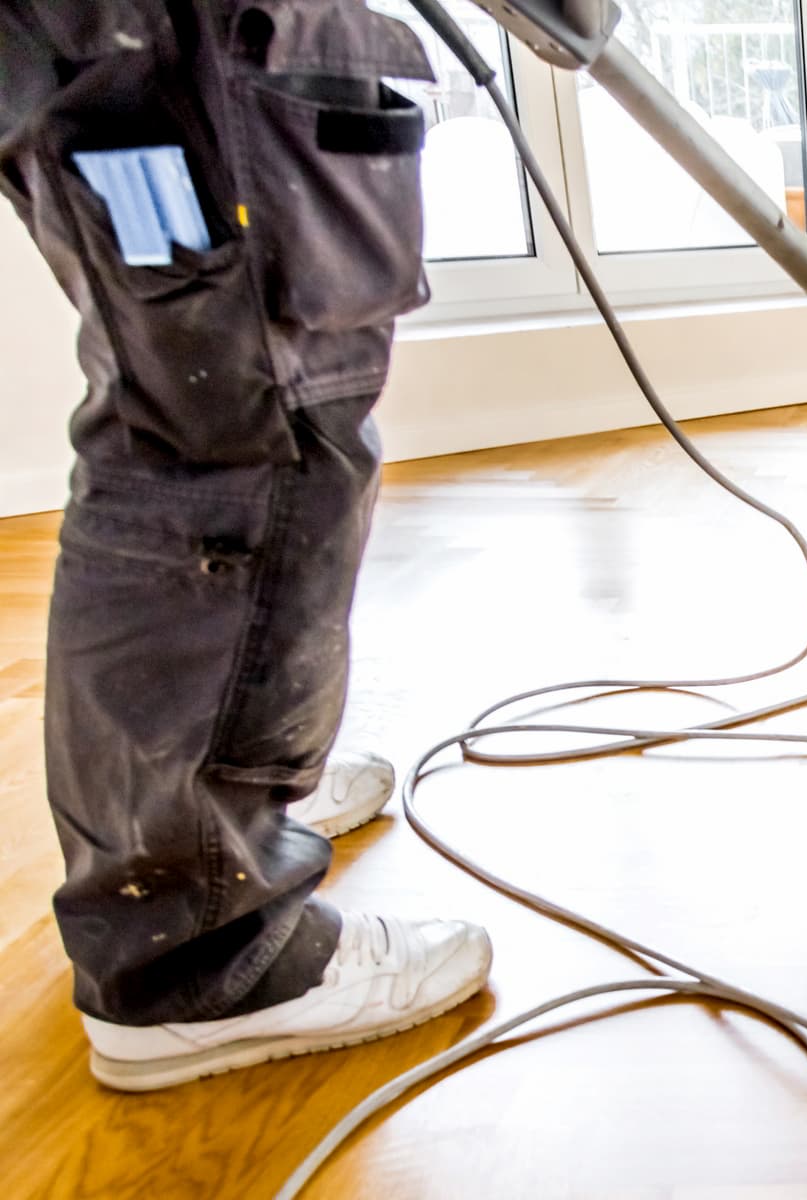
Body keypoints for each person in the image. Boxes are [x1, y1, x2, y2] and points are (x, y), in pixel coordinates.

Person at [0, 0, 491, 1092]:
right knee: (244, 427)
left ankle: (213, 815)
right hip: (161, 39)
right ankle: (197, 956)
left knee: (196, 404)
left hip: (141, 47)